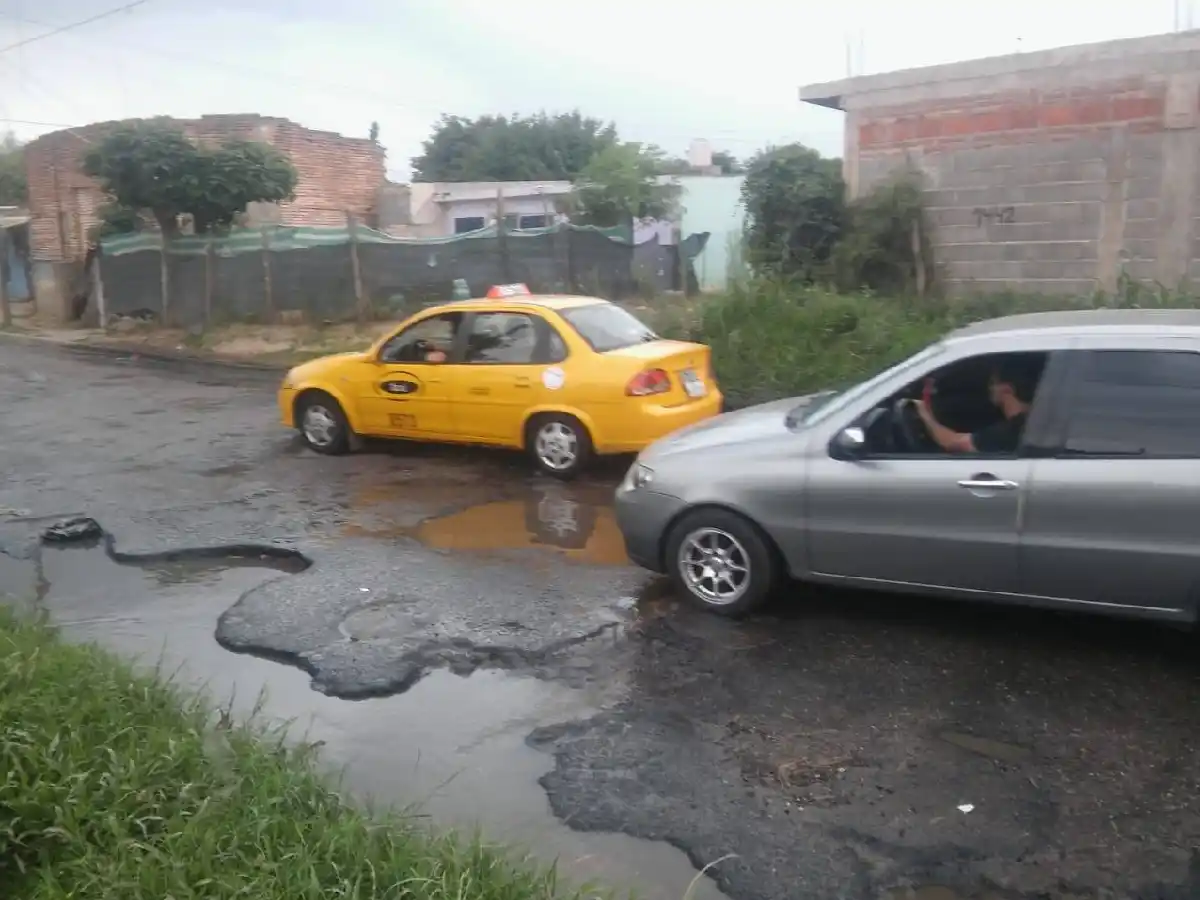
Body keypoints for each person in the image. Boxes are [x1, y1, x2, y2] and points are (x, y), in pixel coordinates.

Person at [912, 356, 1041, 454]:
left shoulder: (1017, 428)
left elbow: (955, 443)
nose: (989, 388)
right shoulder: (1037, 417)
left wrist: (924, 414)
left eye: (993, 383)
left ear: (1006, 390)